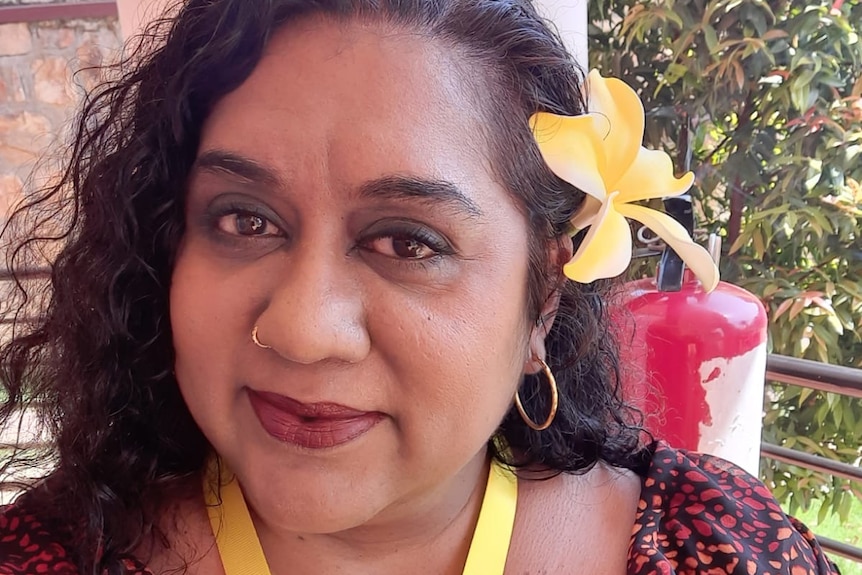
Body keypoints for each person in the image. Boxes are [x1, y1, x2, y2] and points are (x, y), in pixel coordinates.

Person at [0, 1, 840, 574]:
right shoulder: (50, 553)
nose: (301, 329)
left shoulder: (721, 553)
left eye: (408, 240)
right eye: (244, 220)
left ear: (543, 295)